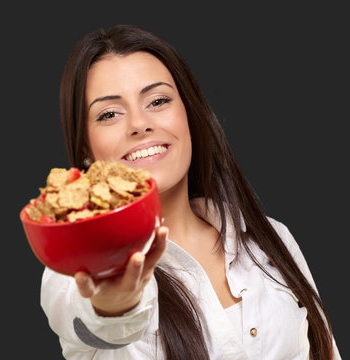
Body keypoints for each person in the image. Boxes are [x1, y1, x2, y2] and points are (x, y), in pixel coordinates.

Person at [40, 24, 341, 360]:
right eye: (109, 114)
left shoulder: (270, 239)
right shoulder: (78, 266)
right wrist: (114, 305)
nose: (139, 124)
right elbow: (86, 323)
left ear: (189, 116)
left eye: (158, 100)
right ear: (86, 147)